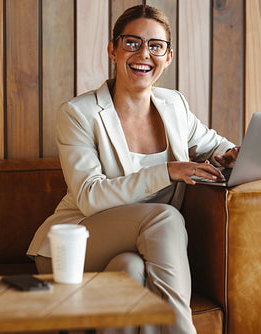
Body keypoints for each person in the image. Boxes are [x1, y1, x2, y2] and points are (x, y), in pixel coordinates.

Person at [27, 4, 239, 334]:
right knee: (165, 216)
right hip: (77, 242)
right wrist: (167, 171)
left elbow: (214, 144)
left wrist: (230, 156)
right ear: (113, 49)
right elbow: (89, 196)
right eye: (132, 42)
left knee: (128, 270)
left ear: (168, 57)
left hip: (133, 250)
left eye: (155, 45)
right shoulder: (79, 114)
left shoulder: (175, 106)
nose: (143, 53)